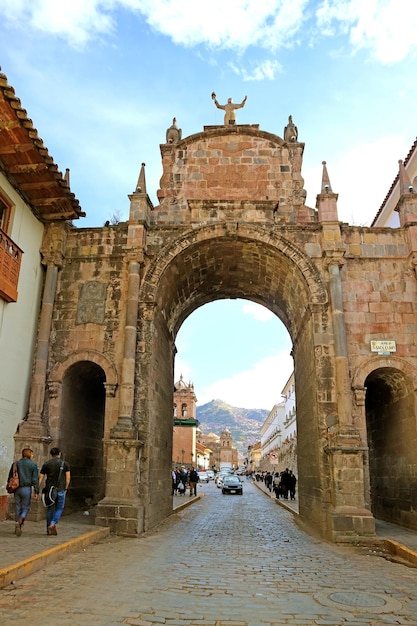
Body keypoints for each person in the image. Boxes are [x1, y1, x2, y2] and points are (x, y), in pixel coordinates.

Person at [39, 447, 71, 536]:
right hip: (60, 489)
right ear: (59, 454)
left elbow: (40, 477)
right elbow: (68, 477)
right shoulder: (65, 464)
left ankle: (48, 529)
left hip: (50, 490)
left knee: (50, 508)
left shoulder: (47, 464)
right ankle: (53, 523)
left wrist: (37, 489)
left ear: (51, 454)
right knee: (60, 508)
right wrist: (66, 487)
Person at [8, 447, 39, 536]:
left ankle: (17, 525)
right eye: (32, 454)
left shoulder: (16, 463)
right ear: (29, 454)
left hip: (16, 488)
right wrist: (36, 491)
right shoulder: (33, 465)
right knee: (25, 507)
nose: (32, 455)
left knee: (18, 507)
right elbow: (35, 479)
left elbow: (10, 476)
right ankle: (20, 520)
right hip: (26, 488)